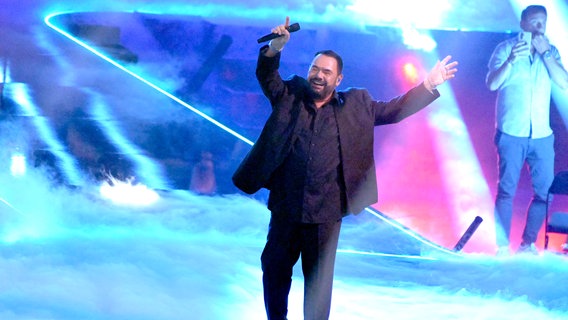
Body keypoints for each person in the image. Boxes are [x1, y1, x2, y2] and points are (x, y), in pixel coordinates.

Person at [232, 17, 458, 320]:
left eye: (326, 72)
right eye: (315, 69)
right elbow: (267, 74)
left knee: (318, 284)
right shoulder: (290, 95)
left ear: (338, 80)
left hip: (325, 214)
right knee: (274, 271)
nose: (318, 75)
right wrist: (275, 47)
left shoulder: (357, 104)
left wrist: (428, 85)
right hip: (286, 207)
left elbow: (393, 111)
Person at [486, 5, 568, 255]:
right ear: (523, 24)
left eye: (542, 23)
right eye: (533, 22)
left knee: (545, 193)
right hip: (512, 132)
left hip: (541, 135)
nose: (538, 27)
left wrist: (547, 56)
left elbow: (563, 82)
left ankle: (527, 244)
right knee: (506, 191)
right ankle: (501, 247)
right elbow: (492, 84)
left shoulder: (550, 51)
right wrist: (512, 61)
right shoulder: (505, 49)